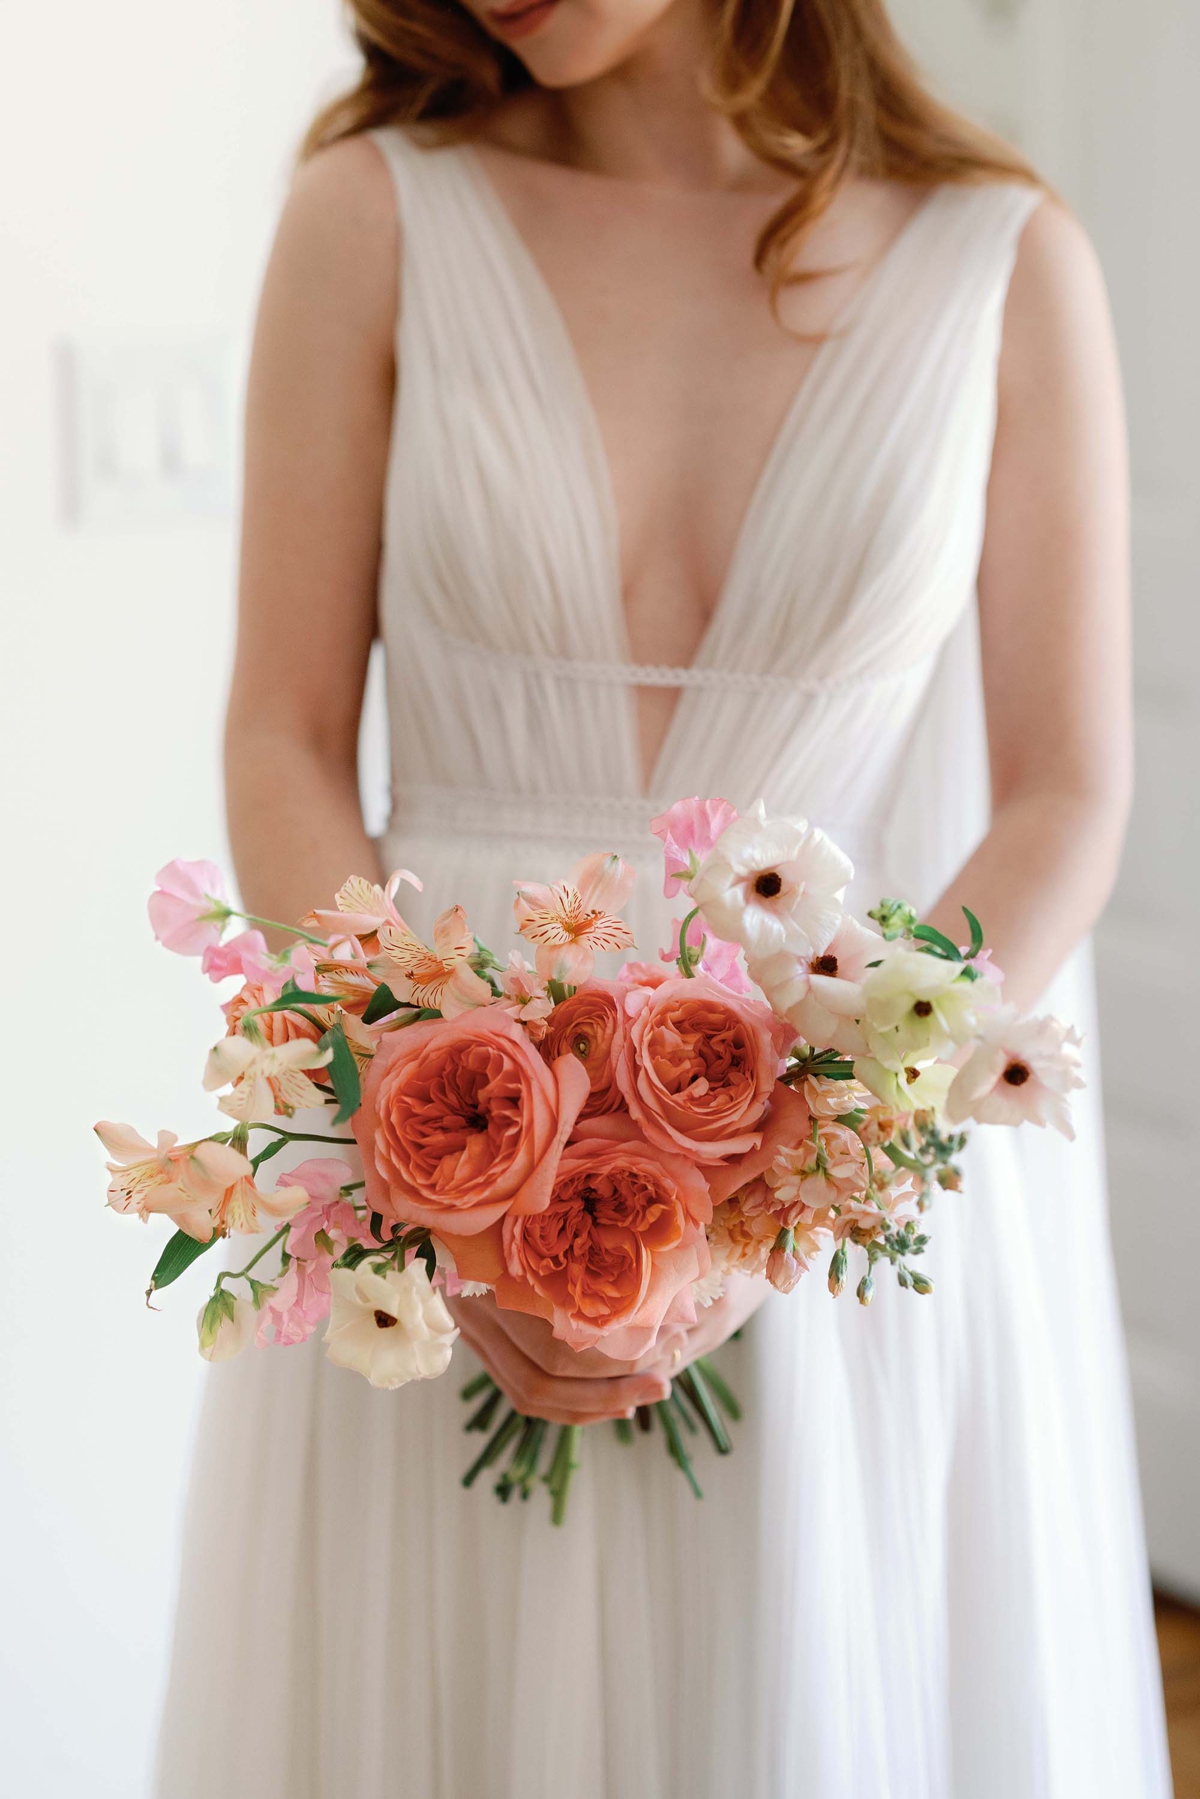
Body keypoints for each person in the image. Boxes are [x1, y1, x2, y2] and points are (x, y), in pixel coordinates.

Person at [156, 0, 1172, 1793]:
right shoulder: (375, 212)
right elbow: (284, 735)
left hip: (852, 1204)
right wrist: (430, 1159)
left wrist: (787, 1180)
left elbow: (1067, 792)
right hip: (436, 1172)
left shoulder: (1008, 261)